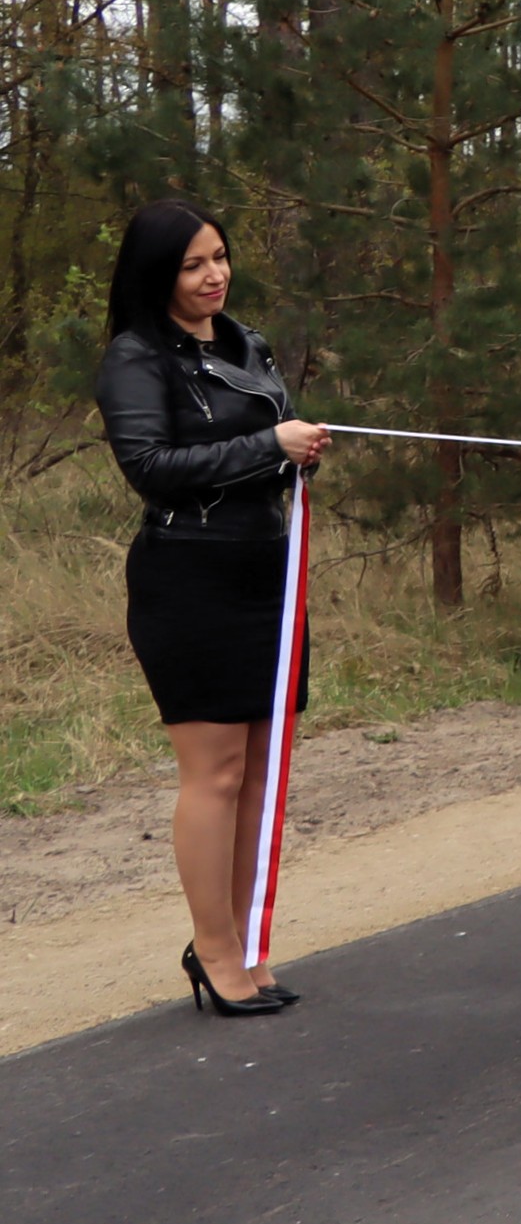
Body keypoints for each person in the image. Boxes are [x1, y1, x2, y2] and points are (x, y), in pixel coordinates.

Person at [95, 200, 329, 1018]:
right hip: (188, 578)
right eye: (194, 264)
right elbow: (153, 465)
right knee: (216, 772)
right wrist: (272, 445)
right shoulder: (134, 358)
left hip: (269, 573)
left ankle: (244, 944)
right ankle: (215, 953)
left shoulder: (246, 344)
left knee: (259, 776)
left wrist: (297, 458)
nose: (215, 275)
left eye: (221, 257)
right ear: (158, 274)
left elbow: (262, 450)